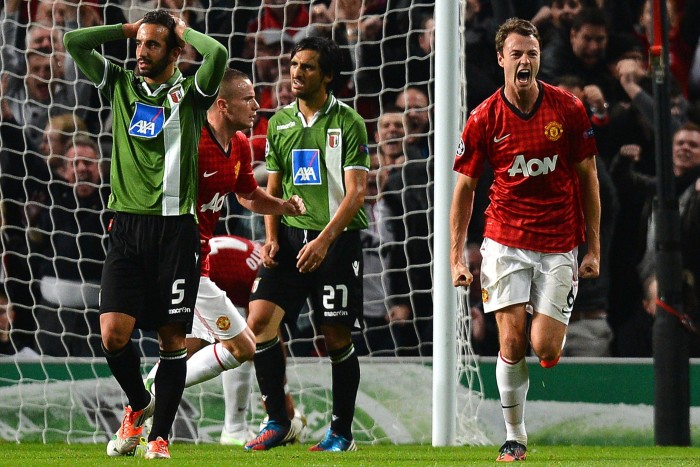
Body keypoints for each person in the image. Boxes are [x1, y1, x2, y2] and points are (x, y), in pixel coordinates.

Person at [64, 9, 228, 459]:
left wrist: (182, 28)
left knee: (172, 338)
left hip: (176, 230)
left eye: (153, 45)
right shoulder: (119, 83)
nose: (141, 52)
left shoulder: (192, 92)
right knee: (113, 335)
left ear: (175, 52)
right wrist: (127, 29)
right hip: (127, 227)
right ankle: (139, 405)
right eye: (139, 44)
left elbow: (219, 52)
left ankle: (160, 437)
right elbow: (74, 41)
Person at [449, 18, 601, 462]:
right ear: (501, 59)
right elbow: (464, 188)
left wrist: (593, 248)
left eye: (531, 54)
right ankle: (514, 436)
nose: (525, 61)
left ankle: (543, 327)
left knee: (545, 347)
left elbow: (588, 178)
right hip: (505, 239)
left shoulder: (568, 109)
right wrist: (456, 256)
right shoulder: (483, 118)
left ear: (539, 59)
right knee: (511, 343)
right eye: (516, 54)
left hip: (558, 241)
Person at [140, 69, 305, 446]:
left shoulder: (242, 144)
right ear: (222, 104)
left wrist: (282, 206)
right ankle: (152, 389)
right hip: (175, 259)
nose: (257, 105)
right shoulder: (190, 141)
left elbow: (247, 194)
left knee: (211, 346)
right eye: (248, 99)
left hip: (201, 260)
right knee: (242, 345)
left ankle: (214, 424)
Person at [244, 36, 369, 452]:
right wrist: (271, 238)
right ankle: (280, 420)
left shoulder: (349, 122)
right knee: (260, 323)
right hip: (292, 238)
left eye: (308, 67)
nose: (296, 72)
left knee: (335, 335)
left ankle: (341, 433)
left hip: (336, 240)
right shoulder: (278, 122)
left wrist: (323, 241)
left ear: (328, 75)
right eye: (294, 65)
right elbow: (271, 188)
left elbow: (356, 194)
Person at [33, 136, 110, 357]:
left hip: (97, 316)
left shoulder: (113, 201)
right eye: (74, 163)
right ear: (65, 171)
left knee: (95, 380)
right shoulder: (55, 196)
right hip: (53, 315)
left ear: (100, 167)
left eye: (88, 162)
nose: (81, 169)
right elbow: (26, 160)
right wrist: (7, 116)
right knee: (50, 379)